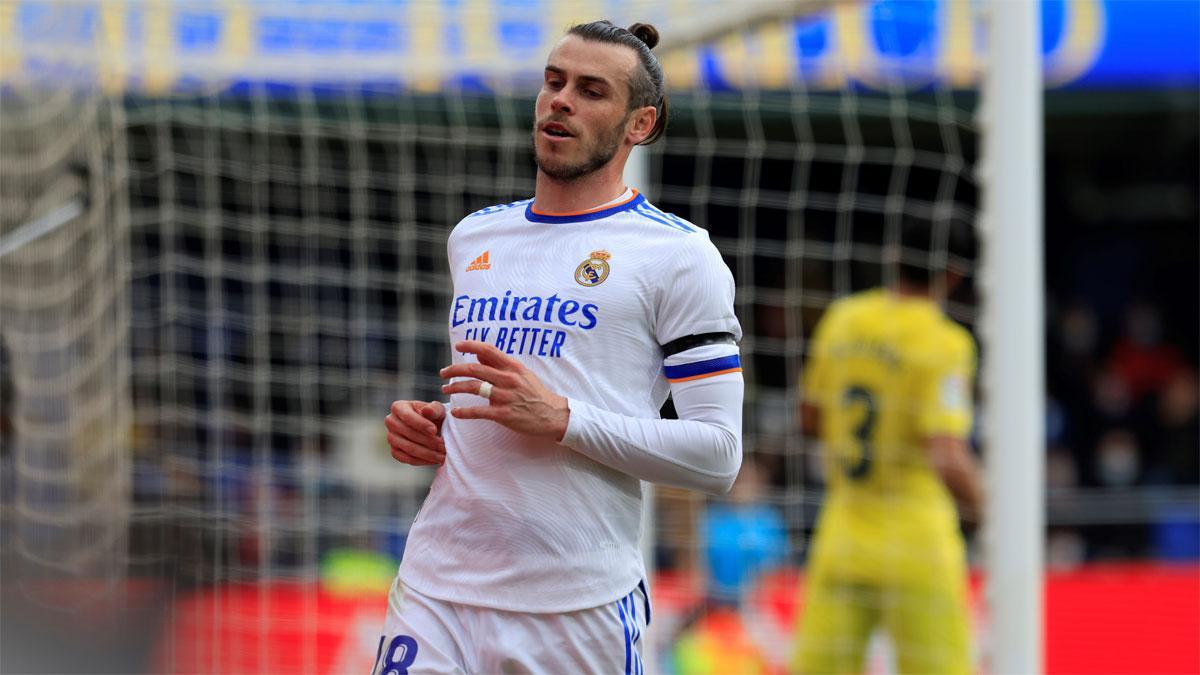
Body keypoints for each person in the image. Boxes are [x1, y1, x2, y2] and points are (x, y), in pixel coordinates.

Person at [377, 20, 744, 675]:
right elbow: (497, 395)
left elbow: (718, 455)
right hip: (438, 587)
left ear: (640, 124)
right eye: (554, 81)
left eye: (591, 90)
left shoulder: (680, 256)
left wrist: (563, 419)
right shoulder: (475, 236)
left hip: (579, 606)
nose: (561, 99)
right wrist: (435, 427)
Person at [791, 217, 984, 674]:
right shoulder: (945, 342)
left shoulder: (844, 320)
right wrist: (987, 512)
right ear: (954, 274)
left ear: (894, 257)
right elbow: (945, 450)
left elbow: (810, 417)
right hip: (918, 541)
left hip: (843, 534)